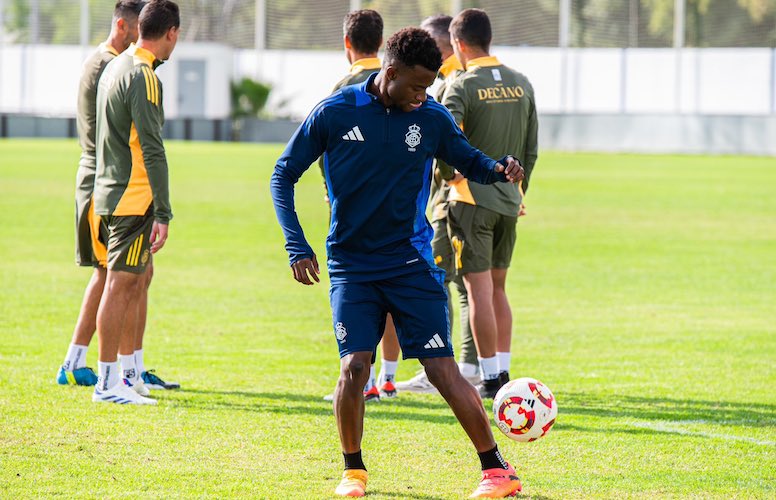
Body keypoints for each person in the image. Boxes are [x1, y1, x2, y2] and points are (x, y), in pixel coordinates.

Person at [271, 27, 524, 498]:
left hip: (411, 264)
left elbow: (467, 160)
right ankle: (353, 471)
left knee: (441, 368)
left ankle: (497, 471)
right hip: (351, 266)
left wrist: (498, 167)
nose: (422, 95)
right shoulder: (335, 111)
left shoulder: (430, 117)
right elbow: (283, 174)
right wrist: (296, 244)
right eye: (415, 85)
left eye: (428, 86)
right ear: (390, 72)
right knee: (354, 368)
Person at [443, 9, 539, 398]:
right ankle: (502, 370)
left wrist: (451, 178)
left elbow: (447, 147)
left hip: (470, 200)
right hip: (507, 202)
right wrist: (518, 192)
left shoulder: (461, 86)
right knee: (499, 288)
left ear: (458, 45)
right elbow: (531, 149)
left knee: (477, 289)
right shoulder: (521, 82)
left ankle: (490, 378)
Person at [57, 0, 150, 388]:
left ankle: (92, 364)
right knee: (120, 274)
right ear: (122, 26)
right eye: (136, 30)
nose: (139, 39)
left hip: (103, 178)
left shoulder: (106, 62)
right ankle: (120, 372)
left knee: (123, 273)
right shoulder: (108, 67)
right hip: (104, 180)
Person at [91, 0, 180, 404]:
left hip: (109, 190)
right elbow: (153, 148)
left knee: (136, 281)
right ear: (171, 33)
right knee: (120, 285)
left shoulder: (115, 65)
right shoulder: (143, 75)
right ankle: (108, 384)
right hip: (132, 196)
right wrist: (163, 210)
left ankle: (127, 375)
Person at [395, 13, 481, 394]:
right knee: (470, 285)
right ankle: (470, 364)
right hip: (472, 199)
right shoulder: (452, 83)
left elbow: (449, 146)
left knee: (447, 281)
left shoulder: (446, 90)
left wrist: (450, 172)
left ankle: (452, 364)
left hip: (454, 200)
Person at [318, 9, 399, 402]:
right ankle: (388, 376)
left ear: (347, 43)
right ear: (381, 43)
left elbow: (324, 150)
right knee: (392, 284)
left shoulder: (344, 87)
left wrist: (333, 196)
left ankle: (360, 382)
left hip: (355, 211)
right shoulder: (397, 82)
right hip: (400, 209)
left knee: (358, 292)